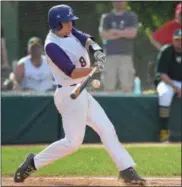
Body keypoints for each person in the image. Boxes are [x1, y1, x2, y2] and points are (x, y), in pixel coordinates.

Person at [14, 4, 146, 185]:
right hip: (69, 94)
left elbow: (87, 39)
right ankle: (32, 163)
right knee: (72, 143)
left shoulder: (69, 31)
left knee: (107, 129)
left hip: (81, 92)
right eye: (66, 22)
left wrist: (97, 50)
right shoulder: (51, 46)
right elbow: (71, 71)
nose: (71, 25)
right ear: (56, 24)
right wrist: (93, 68)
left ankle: (126, 170)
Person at [99, 1, 138, 92]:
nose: (119, 2)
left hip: (126, 55)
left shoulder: (131, 16)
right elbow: (104, 35)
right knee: (108, 86)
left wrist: (114, 32)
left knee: (127, 86)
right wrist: (124, 32)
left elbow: (132, 34)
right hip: (109, 55)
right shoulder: (106, 17)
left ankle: (128, 106)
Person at [154, 29, 182, 142]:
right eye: (177, 40)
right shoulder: (166, 50)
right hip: (167, 81)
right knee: (165, 94)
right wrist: (176, 88)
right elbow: (162, 74)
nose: (180, 42)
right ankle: (164, 130)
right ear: (173, 40)